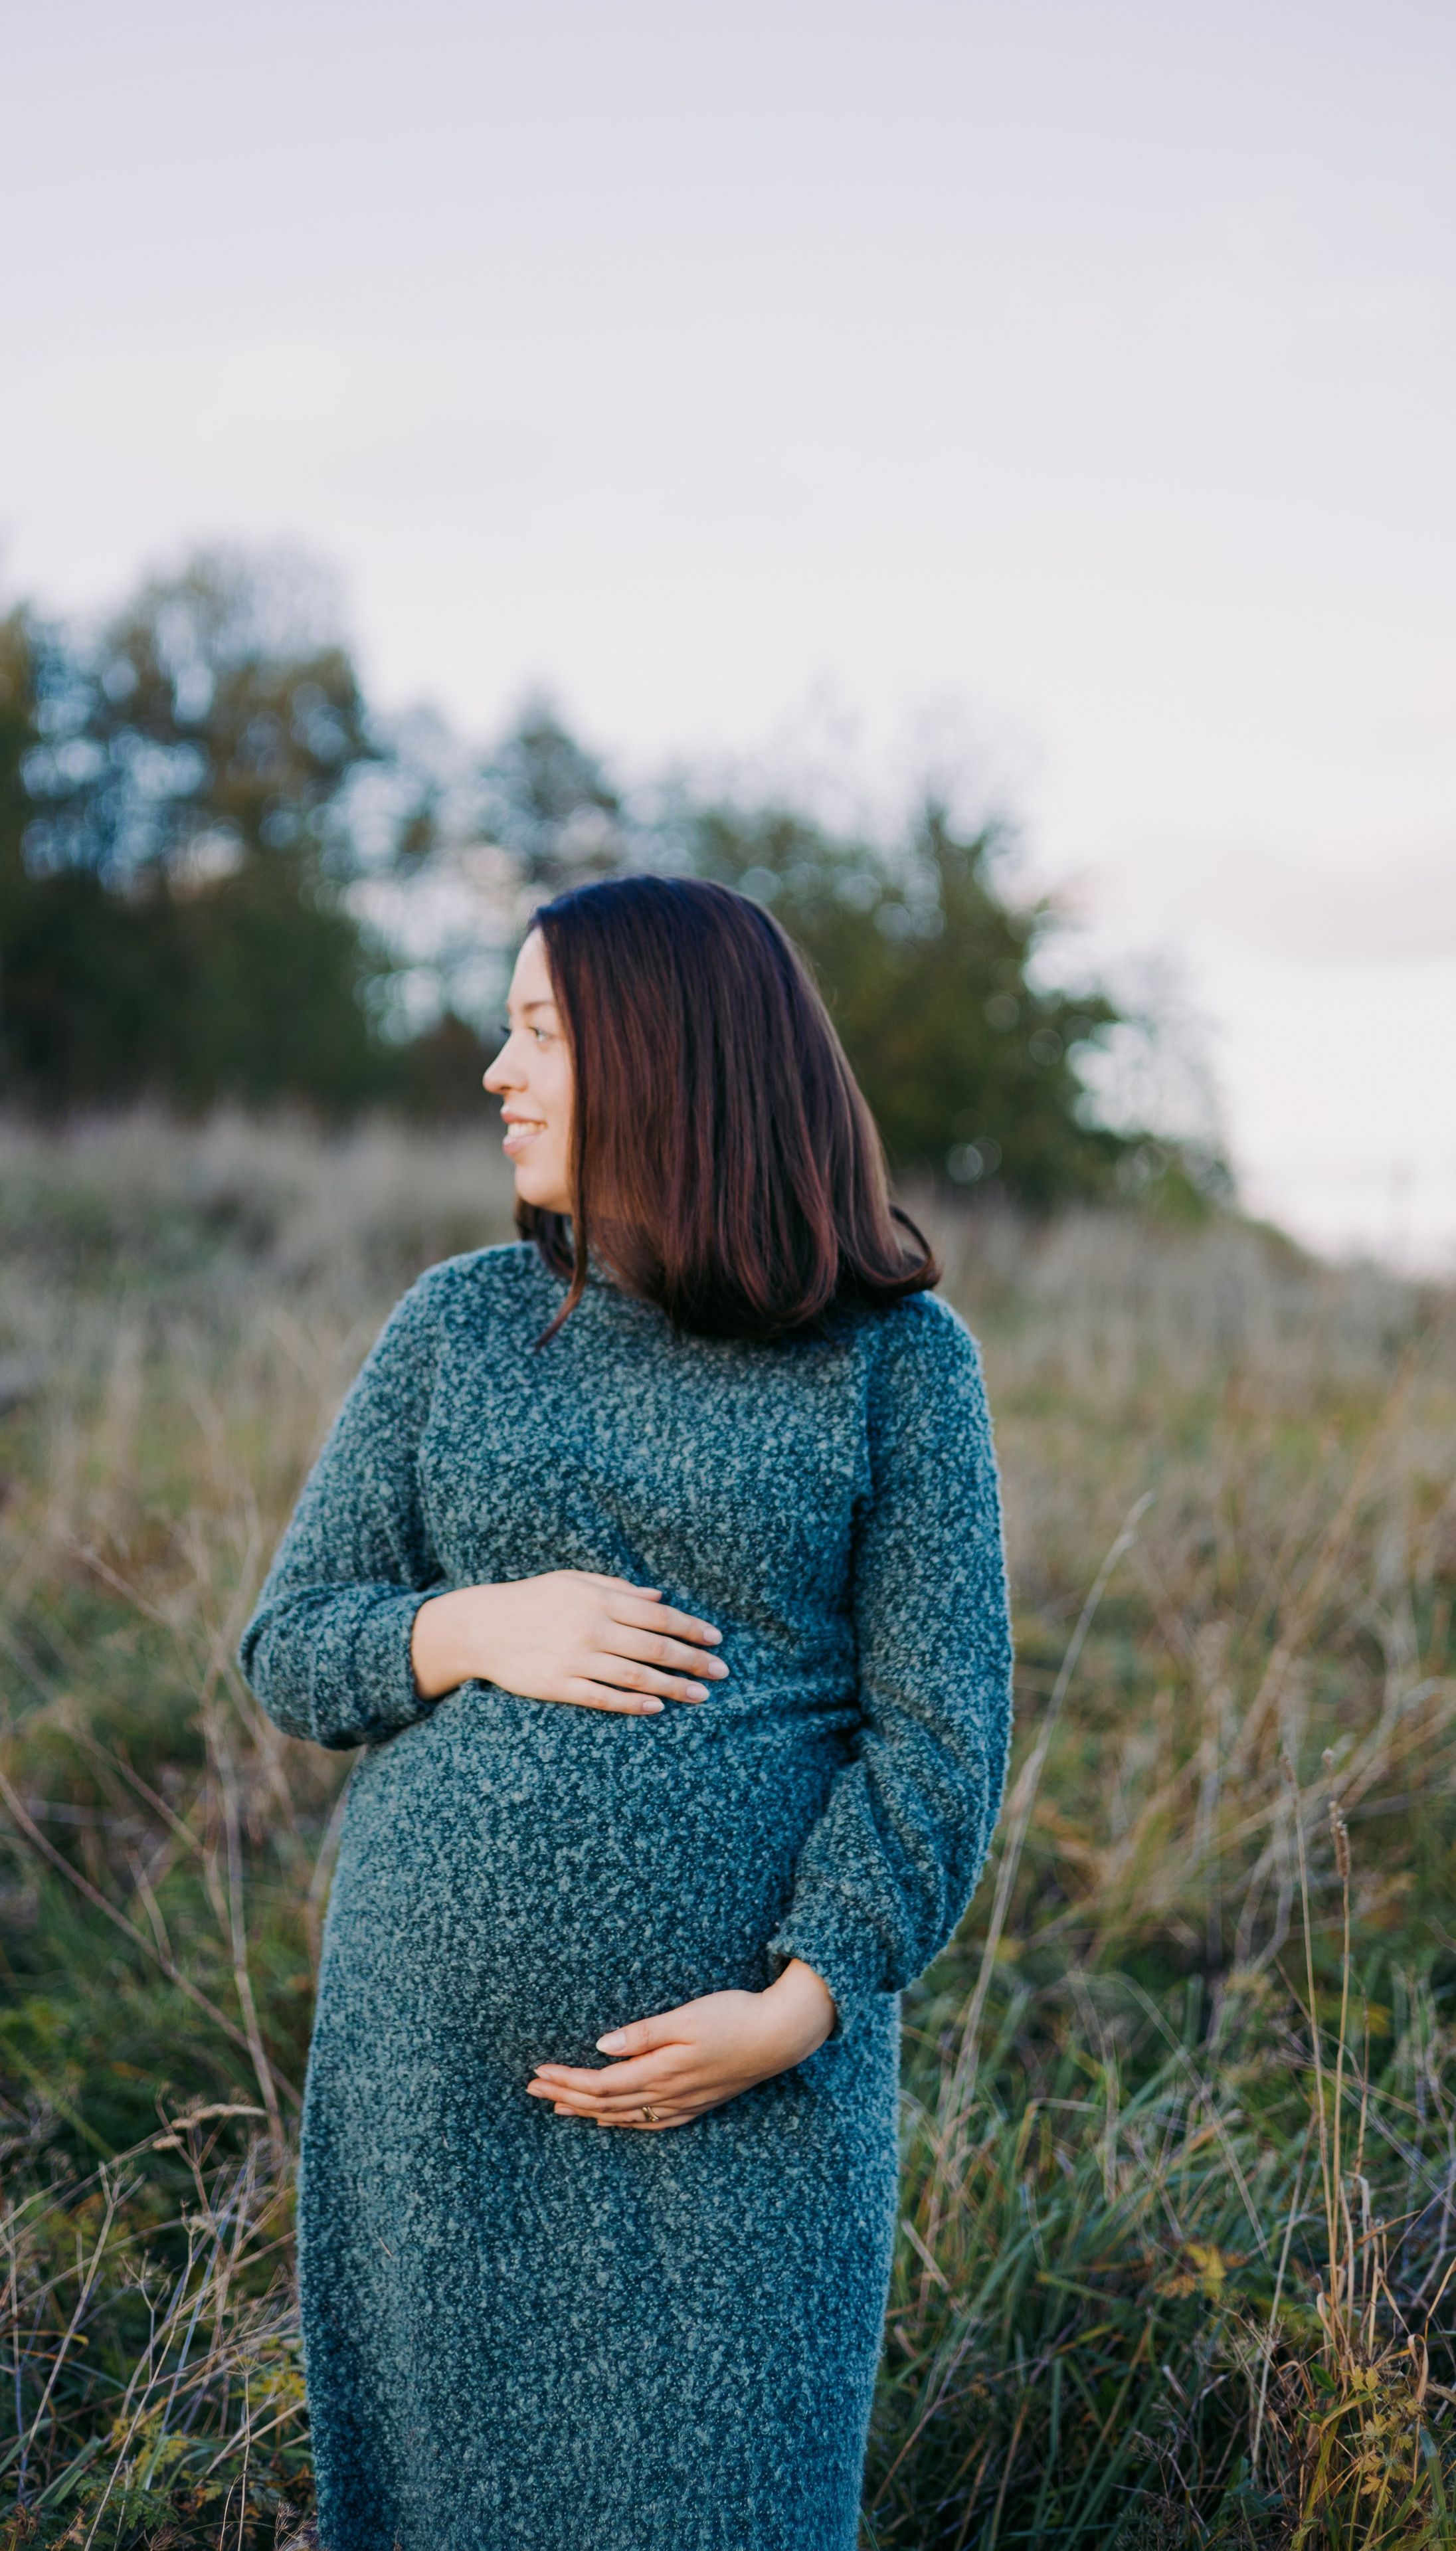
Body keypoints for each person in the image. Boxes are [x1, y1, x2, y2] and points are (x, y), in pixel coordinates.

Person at [239, 874, 1014, 2551]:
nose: (499, 1076)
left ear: (666, 1061)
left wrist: (797, 2010)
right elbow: (291, 1645)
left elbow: (941, 1737)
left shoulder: (895, 1361)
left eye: (538, 1034)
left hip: (748, 2094)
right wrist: (468, 1624)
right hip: (435, 2084)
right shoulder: (458, 1326)